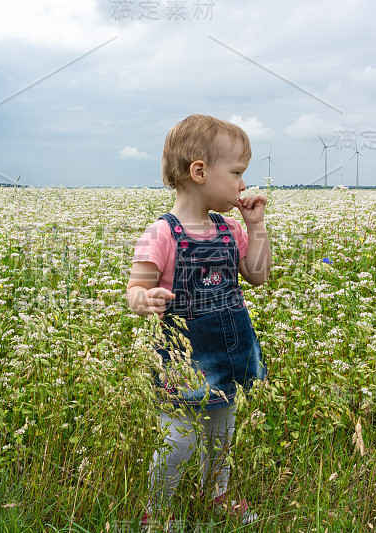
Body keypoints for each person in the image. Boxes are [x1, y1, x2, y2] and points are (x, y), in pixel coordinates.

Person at [126, 114, 271, 527]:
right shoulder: (161, 234)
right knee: (179, 442)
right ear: (199, 171)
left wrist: (256, 226)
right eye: (237, 172)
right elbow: (135, 288)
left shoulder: (230, 229)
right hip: (181, 360)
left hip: (229, 352)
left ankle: (217, 495)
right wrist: (144, 298)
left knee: (222, 437)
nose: (243, 185)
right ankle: (156, 510)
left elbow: (257, 275)